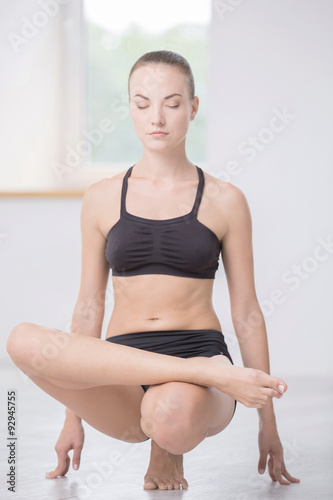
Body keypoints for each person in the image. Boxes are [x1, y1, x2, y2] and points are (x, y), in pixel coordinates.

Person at [6, 50, 300, 491]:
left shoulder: (226, 200)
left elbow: (247, 312)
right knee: (20, 339)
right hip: (123, 370)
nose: (156, 117)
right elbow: (89, 306)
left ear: (194, 107)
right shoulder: (102, 198)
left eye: (173, 102)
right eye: (142, 104)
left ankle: (195, 389)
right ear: (129, 108)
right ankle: (206, 373)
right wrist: (75, 416)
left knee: (171, 415)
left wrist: (268, 424)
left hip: (196, 351)